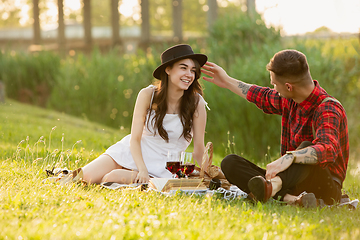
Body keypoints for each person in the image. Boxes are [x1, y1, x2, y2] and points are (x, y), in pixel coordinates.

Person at [201, 49, 348, 207]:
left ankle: (274, 189)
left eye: (275, 85)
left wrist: (290, 157)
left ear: (289, 87)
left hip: (324, 187)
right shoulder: (290, 100)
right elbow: (261, 96)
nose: (274, 89)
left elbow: (327, 149)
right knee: (230, 163)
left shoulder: (327, 108)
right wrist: (227, 81)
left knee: (307, 147)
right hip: (291, 181)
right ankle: (290, 199)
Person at [81, 44, 208, 184]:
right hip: (134, 154)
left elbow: (199, 149)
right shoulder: (148, 95)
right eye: (183, 68)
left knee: (110, 178)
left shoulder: (197, 103)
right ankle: (129, 172)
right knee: (84, 178)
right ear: (168, 70)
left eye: (193, 70)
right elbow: (134, 139)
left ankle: (126, 176)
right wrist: (142, 170)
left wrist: (204, 175)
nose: (189, 75)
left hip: (166, 166)